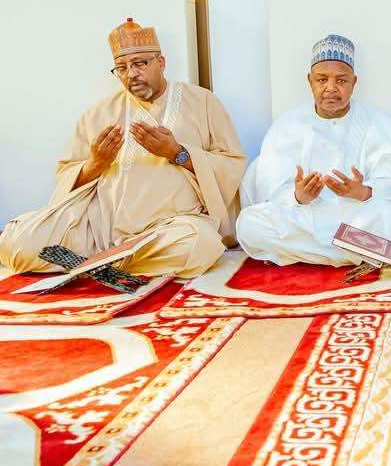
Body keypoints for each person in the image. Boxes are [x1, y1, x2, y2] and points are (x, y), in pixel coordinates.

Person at [0, 18, 246, 278]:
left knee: (200, 245)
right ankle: (113, 260)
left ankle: (99, 263)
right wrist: (96, 163)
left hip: (169, 228)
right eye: (121, 67)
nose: (131, 74)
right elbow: (65, 182)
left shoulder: (202, 102)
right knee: (15, 243)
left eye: (139, 64)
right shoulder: (98, 114)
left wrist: (176, 152)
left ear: (161, 63)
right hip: (99, 230)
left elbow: (232, 163)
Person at [236, 34, 391, 266]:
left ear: (354, 82)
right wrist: (298, 196)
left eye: (341, 80)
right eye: (322, 79)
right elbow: (269, 188)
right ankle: (364, 250)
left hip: (358, 213)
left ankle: (315, 252)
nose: (330, 88)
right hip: (307, 214)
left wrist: (364, 191)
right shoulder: (287, 125)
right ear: (310, 81)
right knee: (249, 224)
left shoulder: (376, 121)